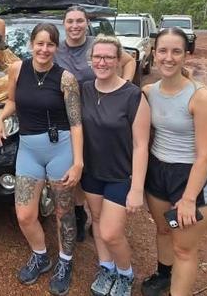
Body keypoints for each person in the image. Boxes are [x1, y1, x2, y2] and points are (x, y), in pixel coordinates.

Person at [0, 23, 83, 295]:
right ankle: (41, 255)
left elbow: (76, 123)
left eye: (50, 44)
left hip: (61, 149)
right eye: (40, 43)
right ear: (31, 44)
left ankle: (65, 262)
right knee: (24, 214)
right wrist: (0, 118)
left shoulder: (66, 79)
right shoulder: (17, 70)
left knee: (63, 212)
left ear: (57, 47)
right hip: (29, 150)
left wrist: (78, 162)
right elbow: (12, 101)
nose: (44, 49)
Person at [141, 27, 207, 296]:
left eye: (176, 51)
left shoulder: (201, 97)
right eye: (163, 50)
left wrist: (188, 198)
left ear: (186, 55)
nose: (168, 57)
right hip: (158, 171)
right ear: (154, 54)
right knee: (164, 229)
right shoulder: (149, 91)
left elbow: (205, 155)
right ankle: (164, 275)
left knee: (184, 248)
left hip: (191, 177)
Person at [57, 5, 136, 242]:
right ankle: (80, 214)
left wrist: (125, 87)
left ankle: (100, 218)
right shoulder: (57, 50)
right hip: (69, 119)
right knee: (77, 167)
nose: (75, 26)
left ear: (86, 23)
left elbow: (130, 60)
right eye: (70, 21)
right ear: (64, 24)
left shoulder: (98, 45)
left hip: (101, 116)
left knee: (95, 164)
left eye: (79, 21)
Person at [80, 36, 150, 296]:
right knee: (96, 221)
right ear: (91, 60)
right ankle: (106, 267)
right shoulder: (85, 89)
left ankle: (125, 273)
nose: (102, 62)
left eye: (109, 57)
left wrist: (137, 189)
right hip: (92, 172)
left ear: (119, 60)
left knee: (111, 233)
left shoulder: (133, 96)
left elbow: (141, 145)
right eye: (97, 57)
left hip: (121, 174)